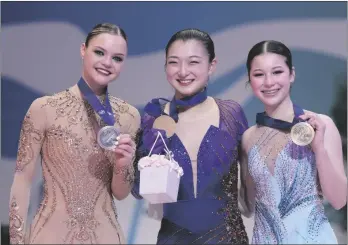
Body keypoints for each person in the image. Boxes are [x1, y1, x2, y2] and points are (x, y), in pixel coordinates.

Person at [9, 23, 140, 244]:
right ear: (83, 50)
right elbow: (22, 180)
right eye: (99, 52)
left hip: (105, 237)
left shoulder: (129, 116)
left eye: (117, 58)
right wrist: (17, 239)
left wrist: (123, 164)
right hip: (49, 236)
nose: (107, 63)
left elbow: (121, 193)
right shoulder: (44, 108)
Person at [132, 28, 249, 244]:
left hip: (228, 239)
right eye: (174, 62)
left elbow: (253, 183)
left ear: (212, 65)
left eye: (193, 62)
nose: (183, 71)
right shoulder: (154, 118)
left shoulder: (231, 114)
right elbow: (139, 189)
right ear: (165, 66)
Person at [239, 40, 347, 244]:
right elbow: (248, 207)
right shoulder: (247, 137)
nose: (269, 82)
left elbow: (339, 200)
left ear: (292, 74)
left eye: (277, 72)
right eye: (259, 74)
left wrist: (319, 149)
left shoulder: (321, 124)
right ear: (250, 80)